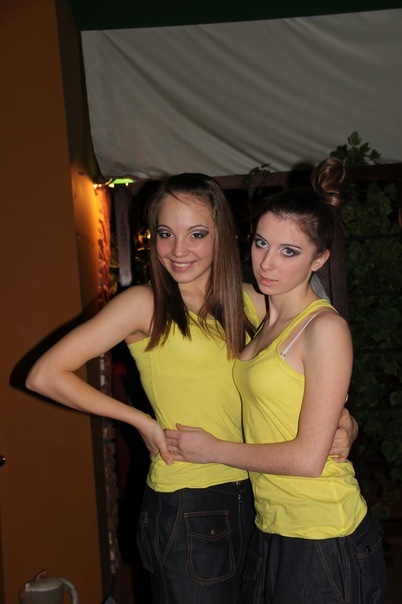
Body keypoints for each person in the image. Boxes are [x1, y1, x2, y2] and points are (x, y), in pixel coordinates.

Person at [26, 172, 357, 604]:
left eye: (196, 234)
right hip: (189, 501)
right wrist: (140, 422)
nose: (178, 250)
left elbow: (316, 372)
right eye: (165, 233)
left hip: (260, 494)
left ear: (223, 236)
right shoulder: (144, 304)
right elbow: (45, 374)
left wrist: (346, 423)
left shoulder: (256, 301)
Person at [166, 160, 386, 603]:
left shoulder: (324, 328)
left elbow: (308, 459)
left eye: (289, 251)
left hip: (323, 531)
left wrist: (212, 449)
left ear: (319, 259)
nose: (266, 262)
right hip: (273, 526)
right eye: (261, 243)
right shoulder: (265, 318)